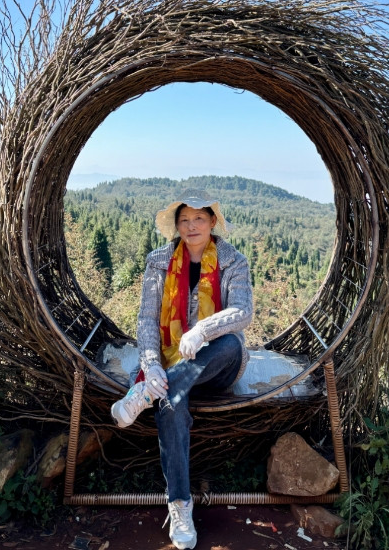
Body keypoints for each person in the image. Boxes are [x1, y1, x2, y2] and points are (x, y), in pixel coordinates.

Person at [110, 190, 253, 550]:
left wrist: (202, 330)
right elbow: (146, 319)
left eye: (199, 219)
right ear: (176, 225)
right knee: (171, 401)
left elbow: (242, 312)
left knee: (231, 343)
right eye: (185, 220)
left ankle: (145, 393)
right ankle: (180, 505)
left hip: (217, 363)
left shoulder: (232, 260)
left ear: (212, 222)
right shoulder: (159, 262)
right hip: (170, 365)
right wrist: (151, 365)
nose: (192, 226)